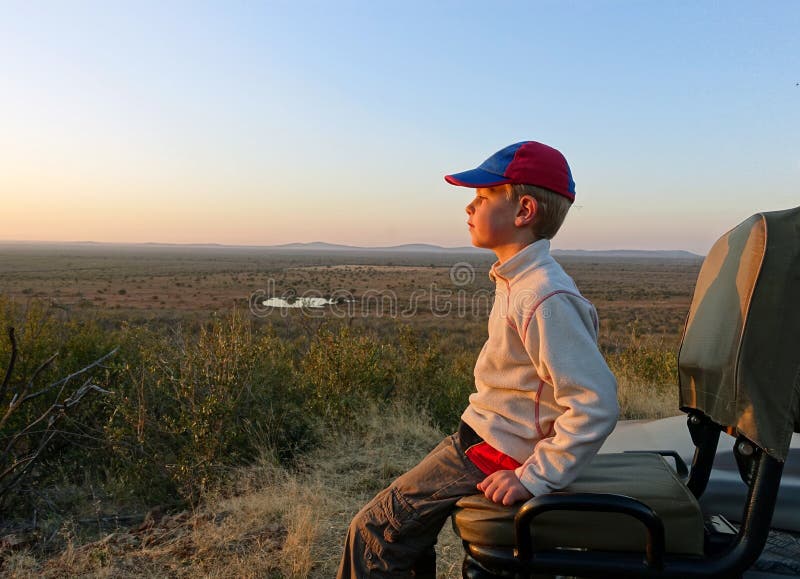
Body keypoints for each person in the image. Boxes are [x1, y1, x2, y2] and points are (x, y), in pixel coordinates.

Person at [337, 141, 619, 578]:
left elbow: (595, 403)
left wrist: (534, 477)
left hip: (494, 453)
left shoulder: (543, 295)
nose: (470, 206)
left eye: (484, 197)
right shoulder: (520, 279)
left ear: (523, 210)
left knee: (373, 534)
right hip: (482, 441)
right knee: (402, 537)